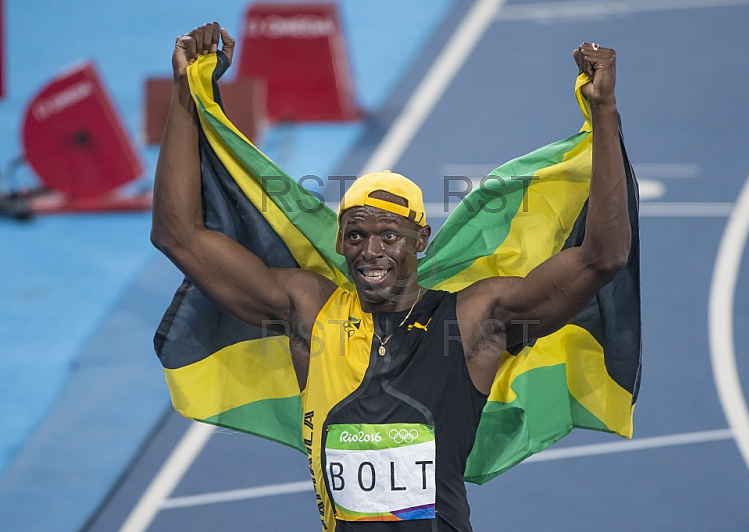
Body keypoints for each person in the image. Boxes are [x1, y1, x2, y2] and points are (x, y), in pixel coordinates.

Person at [151, 22, 630, 532]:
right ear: (339, 242)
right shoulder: (309, 312)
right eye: (356, 236)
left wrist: (603, 113)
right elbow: (178, 235)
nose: (371, 251)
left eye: (390, 235)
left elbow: (600, 258)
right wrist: (187, 91)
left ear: (420, 241)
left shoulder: (471, 323)